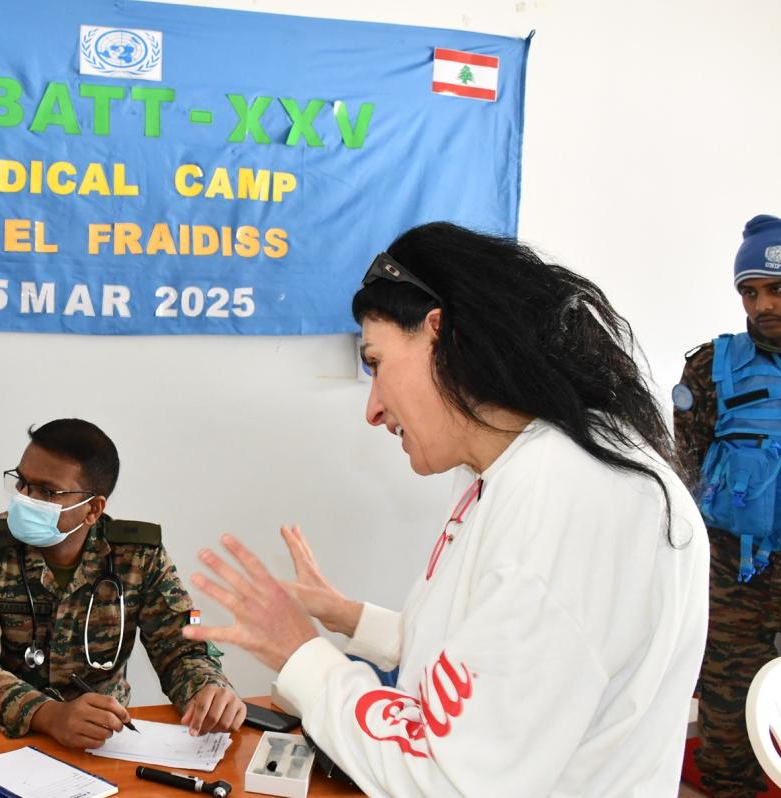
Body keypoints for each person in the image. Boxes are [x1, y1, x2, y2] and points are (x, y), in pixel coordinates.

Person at [182, 223, 709, 795]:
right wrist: (348, 617)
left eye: (376, 362)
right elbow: (487, 658)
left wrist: (298, 652)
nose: (374, 409)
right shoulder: (534, 469)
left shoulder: (567, 500)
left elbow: (451, 778)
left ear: (440, 337)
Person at [0, 418, 245, 749]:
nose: (25, 497)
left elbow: (183, 647)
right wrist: (49, 714)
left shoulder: (138, 557)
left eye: (46, 491)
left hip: (103, 742)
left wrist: (208, 690)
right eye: (22, 482)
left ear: (93, 509)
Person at [673, 214, 781, 797]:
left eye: (776, 288)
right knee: (728, 731)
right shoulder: (710, 369)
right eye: (750, 291)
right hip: (733, 580)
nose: (762, 304)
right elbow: (681, 479)